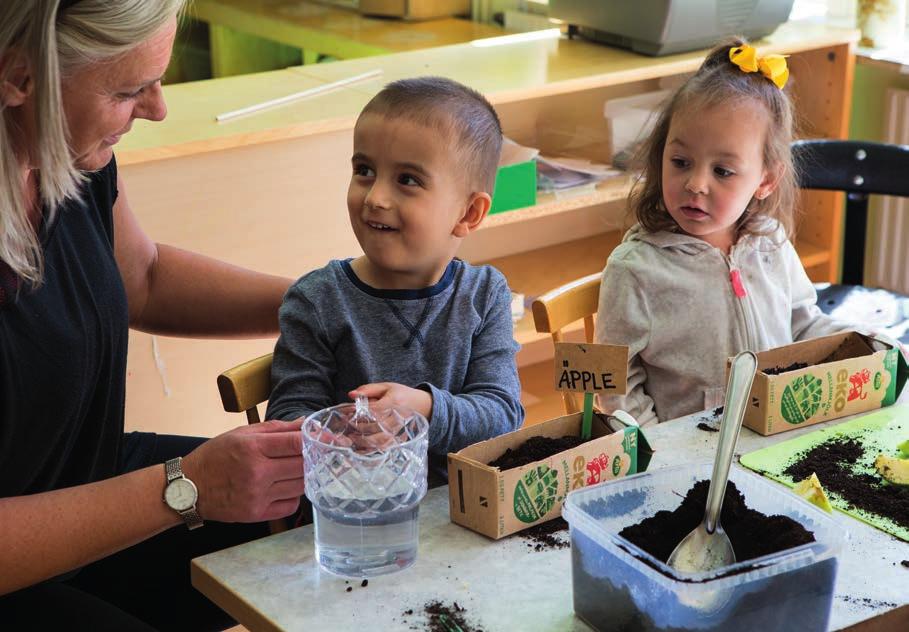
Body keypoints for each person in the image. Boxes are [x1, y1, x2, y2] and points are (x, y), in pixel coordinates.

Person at [0, 2, 305, 629]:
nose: (157, 109)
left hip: (85, 476)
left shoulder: (67, 152)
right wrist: (184, 486)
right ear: (18, 77)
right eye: (128, 89)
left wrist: (322, 303)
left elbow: (143, 277)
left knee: (315, 511)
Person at [266, 77, 524, 483]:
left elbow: (502, 415)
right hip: (352, 516)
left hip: (464, 513)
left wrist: (422, 409)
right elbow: (287, 421)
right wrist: (341, 431)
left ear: (468, 214)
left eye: (407, 179)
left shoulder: (484, 294)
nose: (375, 198)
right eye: (364, 170)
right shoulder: (317, 300)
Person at [594, 39, 852, 426]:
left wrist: (863, 341)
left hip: (775, 434)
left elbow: (803, 324)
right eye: (680, 162)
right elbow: (613, 386)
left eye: (722, 171)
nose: (696, 184)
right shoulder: (635, 269)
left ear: (765, 180)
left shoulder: (771, 242)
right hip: (689, 457)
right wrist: (658, 449)